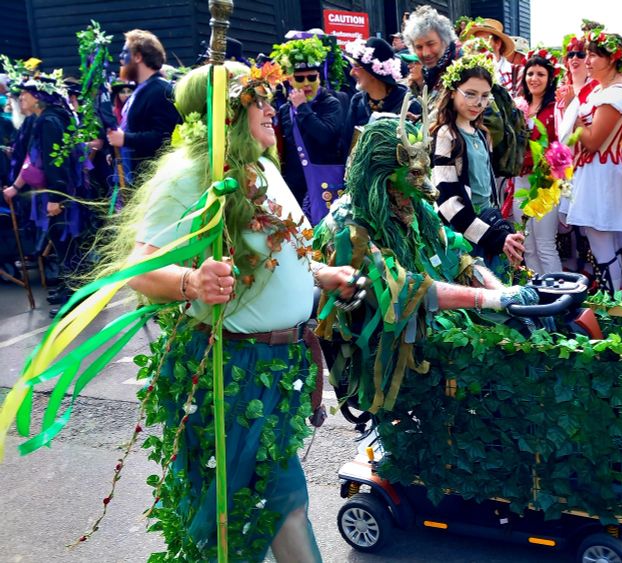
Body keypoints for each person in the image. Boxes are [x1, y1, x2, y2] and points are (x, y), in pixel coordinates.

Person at [91, 61, 362, 561]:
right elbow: (137, 267)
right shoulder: (193, 172)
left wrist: (324, 276)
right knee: (235, 521)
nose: (269, 106)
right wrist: (192, 281)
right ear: (223, 113)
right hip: (231, 371)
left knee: (281, 502)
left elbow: (288, 255)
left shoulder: (265, 168)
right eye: (254, 97)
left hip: (283, 369)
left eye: (268, 95)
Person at [314, 114, 539, 415]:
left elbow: (457, 256)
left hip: (434, 331)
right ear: (382, 176)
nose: (429, 190)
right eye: (414, 176)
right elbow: (402, 289)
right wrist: (490, 299)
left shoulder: (414, 206)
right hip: (393, 353)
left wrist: (503, 291)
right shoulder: (348, 226)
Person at [431, 52, 524, 269]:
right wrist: (492, 237)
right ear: (453, 92)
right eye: (470, 94)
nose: (478, 103)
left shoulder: (481, 132)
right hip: (464, 235)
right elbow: (447, 201)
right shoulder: (447, 134)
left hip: (486, 227)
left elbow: (488, 190)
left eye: (485, 96)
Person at [3, 74, 87, 312]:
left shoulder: (49, 122)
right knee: (61, 243)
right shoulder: (41, 120)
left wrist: (56, 198)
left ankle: (76, 296)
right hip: (50, 193)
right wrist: (17, 187)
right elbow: (33, 161)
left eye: (25, 94)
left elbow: (55, 164)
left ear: (38, 97)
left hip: (58, 195)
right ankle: (69, 287)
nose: (20, 99)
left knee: (66, 243)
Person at [564, 26, 622, 293]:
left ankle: (613, 300)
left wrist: (577, 126)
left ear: (612, 59)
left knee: (603, 239)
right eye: (587, 55)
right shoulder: (602, 90)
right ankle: (619, 299)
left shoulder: (615, 93)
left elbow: (593, 140)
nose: (588, 62)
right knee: (611, 240)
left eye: (594, 56)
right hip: (599, 170)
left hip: (602, 172)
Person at [271, 36, 349, 225]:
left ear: (319, 77)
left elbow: (326, 136)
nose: (306, 83)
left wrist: (303, 109)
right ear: (290, 80)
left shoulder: (331, 103)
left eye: (312, 77)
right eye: (300, 78)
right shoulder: (284, 110)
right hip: (296, 185)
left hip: (324, 181)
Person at [508, 50, 561, 276]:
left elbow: (560, 147)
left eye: (541, 74)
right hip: (520, 179)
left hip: (545, 183)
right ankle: (540, 296)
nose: (534, 78)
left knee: (545, 245)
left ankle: (559, 298)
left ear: (550, 79)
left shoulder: (556, 108)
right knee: (526, 245)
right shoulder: (517, 106)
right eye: (530, 73)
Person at [106, 30, 182, 185]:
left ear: (138, 57)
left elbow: (165, 138)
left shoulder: (161, 90)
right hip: (136, 179)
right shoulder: (141, 90)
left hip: (154, 181)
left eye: (125, 52)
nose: (121, 59)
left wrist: (125, 139)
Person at [344, 37, 418, 127]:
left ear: (372, 73)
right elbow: (346, 139)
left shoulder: (408, 103)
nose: (351, 73)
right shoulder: (357, 102)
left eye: (356, 66)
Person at [402, 4, 459, 99]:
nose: (426, 53)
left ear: (444, 40)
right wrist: (420, 84)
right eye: (419, 47)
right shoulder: (424, 72)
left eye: (431, 44)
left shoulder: (462, 66)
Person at [464, 18, 518, 93]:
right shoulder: (467, 70)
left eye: (485, 40)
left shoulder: (514, 72)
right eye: (476, 40)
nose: (478, 44)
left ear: (498, 43)